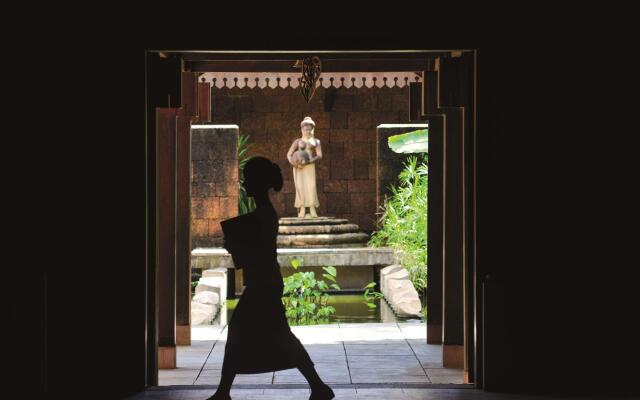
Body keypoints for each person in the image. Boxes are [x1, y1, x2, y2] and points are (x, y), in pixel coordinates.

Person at [207, 156, 335, 400]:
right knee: (275, 335)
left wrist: (236, 246)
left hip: (263, 283)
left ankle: (224, 392)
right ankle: (318, 387)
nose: (245, 182)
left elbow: (263, 252)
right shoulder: (262, 213)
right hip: (264, 281)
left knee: (248, 332)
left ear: (257, 182)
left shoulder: (264, 215)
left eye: (248, 178)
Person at [287, 116, 322, 218]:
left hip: (309, 166)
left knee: (311, 186)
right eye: (305, 129)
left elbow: (319, 155)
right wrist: (294, 163)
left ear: (313, 129)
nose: (307, 130)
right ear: (302, 129)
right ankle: (302, 207)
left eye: (309, 128)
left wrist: (309, 161)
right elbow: (289, 154)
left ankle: (312, 207)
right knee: (300, 187)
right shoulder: (297, 141)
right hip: (299, 167)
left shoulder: (316, 141)